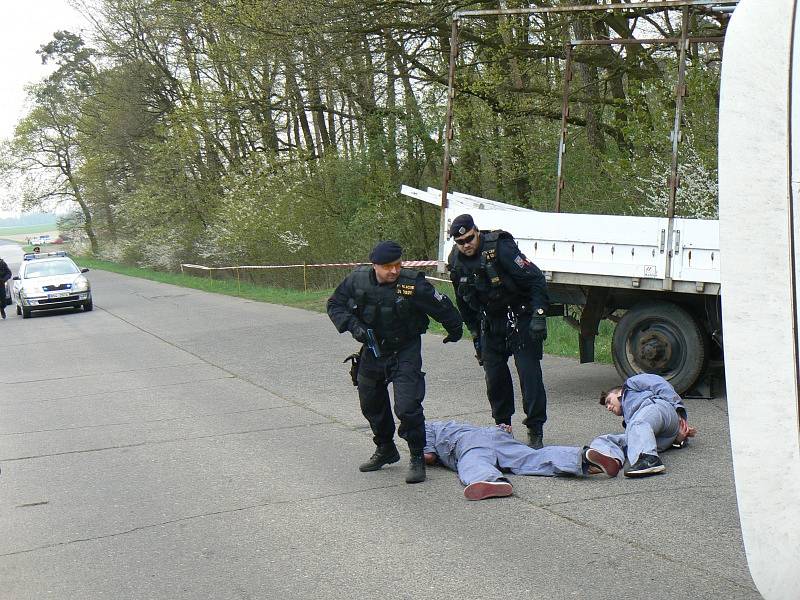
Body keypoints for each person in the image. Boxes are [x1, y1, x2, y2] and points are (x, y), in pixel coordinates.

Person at [327, 240, 464, 484]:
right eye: (388, 266)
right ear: (375, 266)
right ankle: (385, 448)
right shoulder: (357, 280)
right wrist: (353, 325)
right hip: (372, 348)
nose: (394, 271)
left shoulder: (411, 285)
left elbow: (441, 306)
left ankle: (416, 456)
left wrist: (454, 330)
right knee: (370, 401)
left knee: (407, 406)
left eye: (397, 265)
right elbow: (334, 304)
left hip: (405, 349)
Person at [446, 213, 550, 449]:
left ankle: (535, 429)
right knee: (495, 379)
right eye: (460, 242)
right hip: (490, 324)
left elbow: (535, 280)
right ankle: (502, 427)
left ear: (476, 231)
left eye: (470, 239)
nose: (466, 245)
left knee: (529, 374)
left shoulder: (500, 247)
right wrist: (475, 337)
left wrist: (539, 316)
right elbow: (463, 303)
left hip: (520, 318)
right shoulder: (456, 261)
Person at [423, 420, 623, 500]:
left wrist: (418, 455)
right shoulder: (453, 423)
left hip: (467, 443)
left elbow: (430, 456)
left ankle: (489, 480)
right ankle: (582, 457)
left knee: (473, 462)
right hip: (495, 433)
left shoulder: (425, 427)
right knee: (532, 458)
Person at [596, 373, 697, 477]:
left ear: (619, 392)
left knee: (638, 424)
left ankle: (650, 461)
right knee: (606, 439)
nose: (608, 407)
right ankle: (597, 461)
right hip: (665, 435)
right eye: (606, 406)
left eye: (608, 401)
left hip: (659, 409)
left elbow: (660, 384)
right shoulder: (630, 422)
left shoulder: (630, 385)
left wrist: (678, 411)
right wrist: (678, 440)